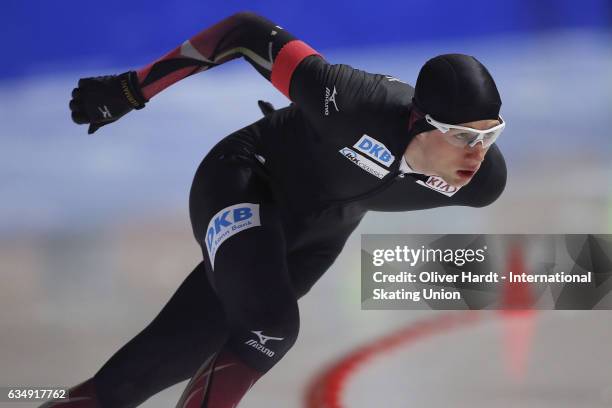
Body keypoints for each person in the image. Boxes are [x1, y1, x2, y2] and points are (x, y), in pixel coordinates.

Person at [50, 11, 506, 408]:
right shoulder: (349, 103)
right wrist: (133, 89)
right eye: (465, 136)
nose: (477, 153)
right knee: (269, 328)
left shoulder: (479, 182)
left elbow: (380, 181)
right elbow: (244, 31)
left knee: (133, 379)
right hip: (246, 179)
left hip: (317, 235)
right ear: (420, 123)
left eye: (490, 136)